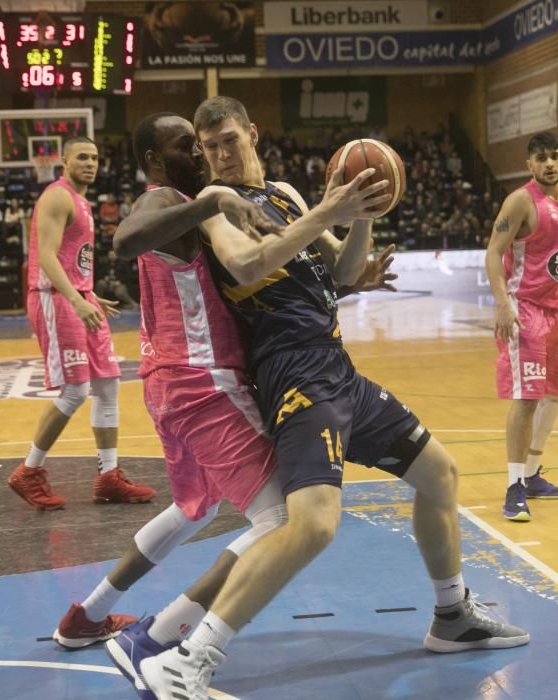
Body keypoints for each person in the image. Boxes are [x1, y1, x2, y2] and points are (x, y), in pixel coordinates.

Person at [133, 97, 529, 700]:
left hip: (337, 367)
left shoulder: (288, 195)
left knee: (441, 475)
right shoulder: (213, 212)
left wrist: (360, 213)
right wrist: (327, 210)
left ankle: (452, 616)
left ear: (253, 133)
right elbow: (246, 267)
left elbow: (341, 272)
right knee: (313, 525)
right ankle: (188, 657)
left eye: (229, 141)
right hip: (292, 376)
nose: (219, 155)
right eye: (208, 147)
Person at [53, 111, 292, 653]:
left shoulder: (187, 206)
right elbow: (125, 240)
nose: (200, 154)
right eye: (186, 146)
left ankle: (84, 617)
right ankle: (162, 639)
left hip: (168, 386)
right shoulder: (164, 200)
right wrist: (211, 201)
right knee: (282, 520)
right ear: (154, 162)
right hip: (202, 384)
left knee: (195, 508)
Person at [6, 136, 156, 510]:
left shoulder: (83, 202)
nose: (90, 163)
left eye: (95, 157)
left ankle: (109, 476)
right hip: (56, 301)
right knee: (75, 392)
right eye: (82, 157)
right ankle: (29, 470)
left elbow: (74, 260)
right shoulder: (57, 196)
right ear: (63, 160)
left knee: (107, 385)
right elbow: (46, 258)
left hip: (78, 297)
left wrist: (87, 293)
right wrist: (75, 297)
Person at [485, 132, 558, 522]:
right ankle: (513, 486)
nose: (549, 163)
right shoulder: (521, 200)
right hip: (526, 310)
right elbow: (493, 252)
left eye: (555, 156)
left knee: (556, 394)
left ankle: (534, 473)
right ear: (530, 165)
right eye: (541, 158)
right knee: (526, 399)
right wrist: (503, 305)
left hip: (557, 312)